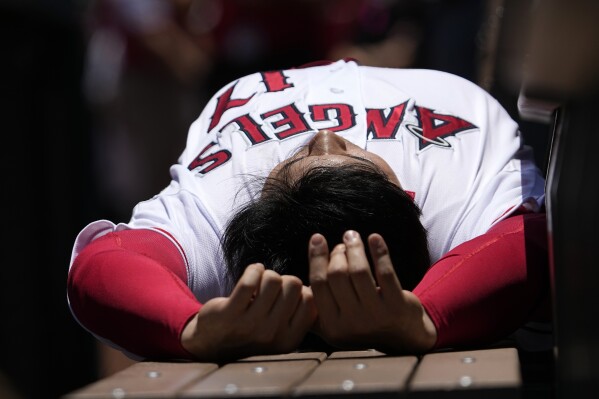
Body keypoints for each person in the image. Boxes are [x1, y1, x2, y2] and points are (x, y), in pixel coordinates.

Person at [67, 59, 549, 363]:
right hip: (433, 74)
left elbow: (102, 264)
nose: (321, 136)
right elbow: (533, 244)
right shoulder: (448, 198)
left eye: (297, 162)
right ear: (407, 196)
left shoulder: (227, 197)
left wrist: (191, 329)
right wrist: (424, 318)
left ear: (261, 202)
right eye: (348, 158)